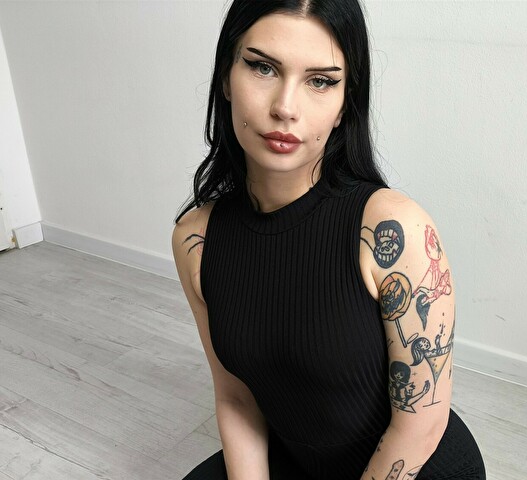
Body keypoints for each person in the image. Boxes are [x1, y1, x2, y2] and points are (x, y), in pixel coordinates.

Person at [172, 0, 485, 478]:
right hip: (297, 459)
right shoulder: (196, 239)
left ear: (344, 106)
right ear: (226, 78)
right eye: (262, 67)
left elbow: (420, 424)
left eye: (320, 81)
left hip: (412, 465)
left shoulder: (393, 228)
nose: (285, 108)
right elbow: (236, 397)